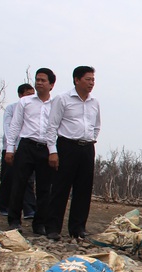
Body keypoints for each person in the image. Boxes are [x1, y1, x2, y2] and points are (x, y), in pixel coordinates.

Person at [45, 66, 101, 241]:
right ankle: (53, 228)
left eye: (93, 79)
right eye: (88, 79)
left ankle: (78, 228)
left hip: (87, 148)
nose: (91, 83)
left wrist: (91, 138)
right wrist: (52, 151)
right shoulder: (63, 99)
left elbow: (96, 126)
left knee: (83, 189)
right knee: (61, 188)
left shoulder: (94, 103)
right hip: (67, 146)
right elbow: (52, 127)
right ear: (77, 80)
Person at [5, 68, 56, 235]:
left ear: (51, 84)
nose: (39, 83)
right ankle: (14, 220)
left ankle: (39, 224)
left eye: (43, 80)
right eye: (37, 79)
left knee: (44, 189)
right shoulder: (25, 102)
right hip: (26, 146)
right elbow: (15, 125)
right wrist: (10, 148)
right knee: (18, 184)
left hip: (45, 149)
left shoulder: (56, 105)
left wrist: (53, 151)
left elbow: (56, 129)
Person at [0, 83, 35, 218]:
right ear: (20, 95)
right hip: (11, 148)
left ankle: (29, 209)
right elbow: (8, 127)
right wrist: (11, 146)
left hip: (27, 149)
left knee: (28, 180)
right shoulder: (11, 108)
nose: (31, 97)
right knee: (9, 177)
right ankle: (5, 206)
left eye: (33, 94)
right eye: (28, 94)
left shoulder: (35, 109)